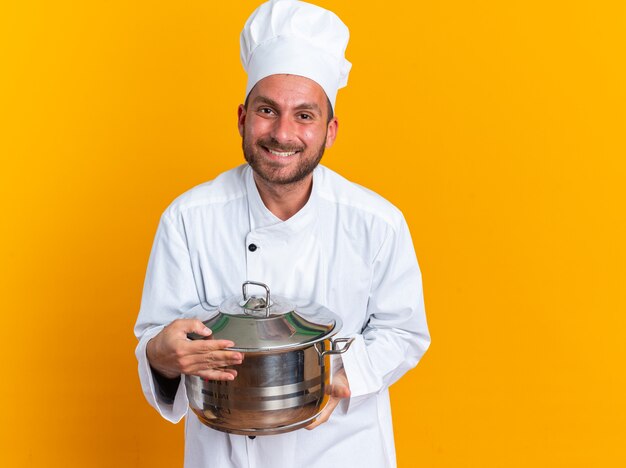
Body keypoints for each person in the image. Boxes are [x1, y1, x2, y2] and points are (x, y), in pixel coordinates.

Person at [134, 0, 430, 466]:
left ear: (330, 131)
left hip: (342, 451)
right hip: (226, 454)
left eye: (305, 115)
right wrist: (162, 354)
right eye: (267, 110)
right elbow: (156, 339)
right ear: (242, 119)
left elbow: (404, 330)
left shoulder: (377, 222)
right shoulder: (188, 218)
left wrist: (335, 375)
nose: (283, 133)